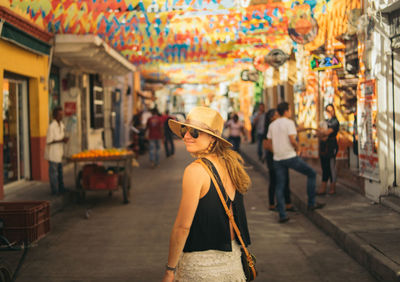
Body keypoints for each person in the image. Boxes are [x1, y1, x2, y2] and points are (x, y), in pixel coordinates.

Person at [162, 106, 252, 282]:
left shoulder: (195, 171)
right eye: (184, 130)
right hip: (233, 267)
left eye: (194, 132)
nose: (186, 136)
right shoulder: (231, 166)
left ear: (212, 137)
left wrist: (169, 270)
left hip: (201, 269)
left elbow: (182, 227)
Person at [266, 102, 325, 223]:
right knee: (312, 174)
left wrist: (277, 150)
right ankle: (311, 202)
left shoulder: (272, 125)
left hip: (278, 158)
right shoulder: (289, 122)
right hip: (290, 156)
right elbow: (292, 140)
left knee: (280, 186)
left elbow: (269, 141)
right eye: (290, 110)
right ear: (286, 111)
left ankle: (282, 215)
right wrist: (298, 149)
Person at [264, 109, 294, 211]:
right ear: (271, 117)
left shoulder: (278, 126)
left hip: (280, 156)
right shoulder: (269, 128)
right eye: (276, 115)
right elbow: (266, 145)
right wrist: (277, 151)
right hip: (274, 158)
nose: (278, 117)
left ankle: (287, 204)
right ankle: (272, 204)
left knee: (285, 180)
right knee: (274, 181)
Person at [316, 104, 340, 195]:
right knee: (324, 167)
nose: (330, 112)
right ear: (326, 112)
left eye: (331, 110)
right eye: (328, 110)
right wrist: (322, 133)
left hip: (331, 146)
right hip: (323, 147)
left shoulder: (335, 122)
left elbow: (327, 133)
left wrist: (323, 133)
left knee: (331, 167)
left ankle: (332, 188)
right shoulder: (325, 121)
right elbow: (319, 133)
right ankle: (323, 188)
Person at [45, 106, 69, 195]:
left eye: (62, 114)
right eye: (59, 115)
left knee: (60, 173)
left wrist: (64, 139)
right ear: (55, 116)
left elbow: (61, 137)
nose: (61, 116)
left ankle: (61, 188)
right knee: (53, 174)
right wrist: (61, 140)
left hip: (59, 153)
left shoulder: (62, 125)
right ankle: (55, 191)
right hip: (52, 153)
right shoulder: (51, 126)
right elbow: (49, 141)